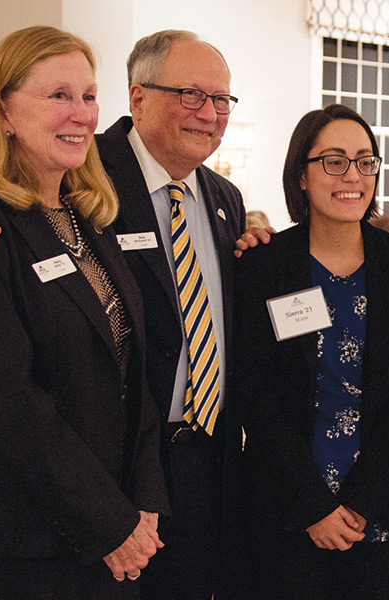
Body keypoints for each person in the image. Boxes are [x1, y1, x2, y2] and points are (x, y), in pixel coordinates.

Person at [0, 26, 169, 599]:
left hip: (115, 514)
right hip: (25, 537)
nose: (82, 114)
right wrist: (111, 523)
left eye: (88, 95)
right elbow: (9, 405)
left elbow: (135, 365)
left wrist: (147, 498)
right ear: (3, 111)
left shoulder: (87, 214)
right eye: (59, 96)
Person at [233, 104, 389, 599]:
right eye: (335, 161)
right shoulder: (263, 266)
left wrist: (360, 503)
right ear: (301, 175)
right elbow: (254, 399)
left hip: (379, 508)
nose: (353, 176)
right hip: (288, 509)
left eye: (366, 162)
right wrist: (314, 508)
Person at [95, 30, 255, 600]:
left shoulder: (223, 198)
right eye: (191, 95)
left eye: (221, 100)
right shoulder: (82, 178)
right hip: (115, 465)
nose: (209, 114)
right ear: (138, 98)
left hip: (207, 456)